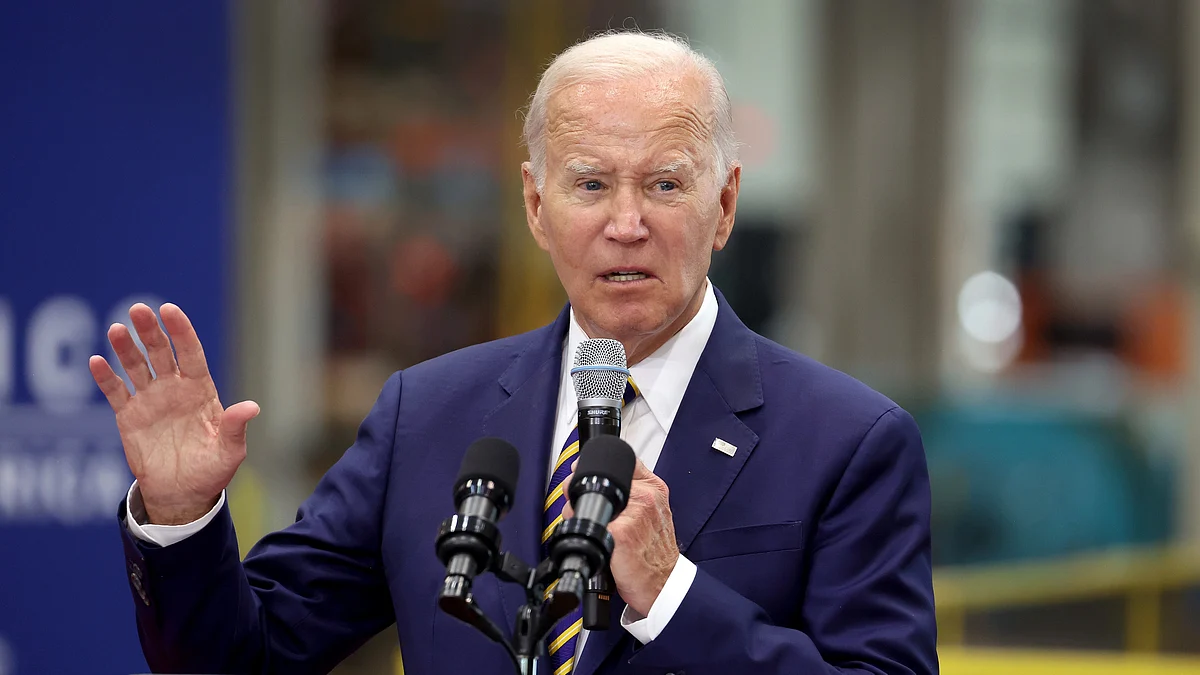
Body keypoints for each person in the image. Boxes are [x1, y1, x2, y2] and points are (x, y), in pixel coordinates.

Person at [92, 31, 937, 675]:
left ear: (724, 205)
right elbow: (245, 657)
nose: (627, 222)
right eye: (591, 183)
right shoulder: (425, 416)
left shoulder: (849, 442)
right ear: (536, 205)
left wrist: (673, 597)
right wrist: (181, 519)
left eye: (666, 183)